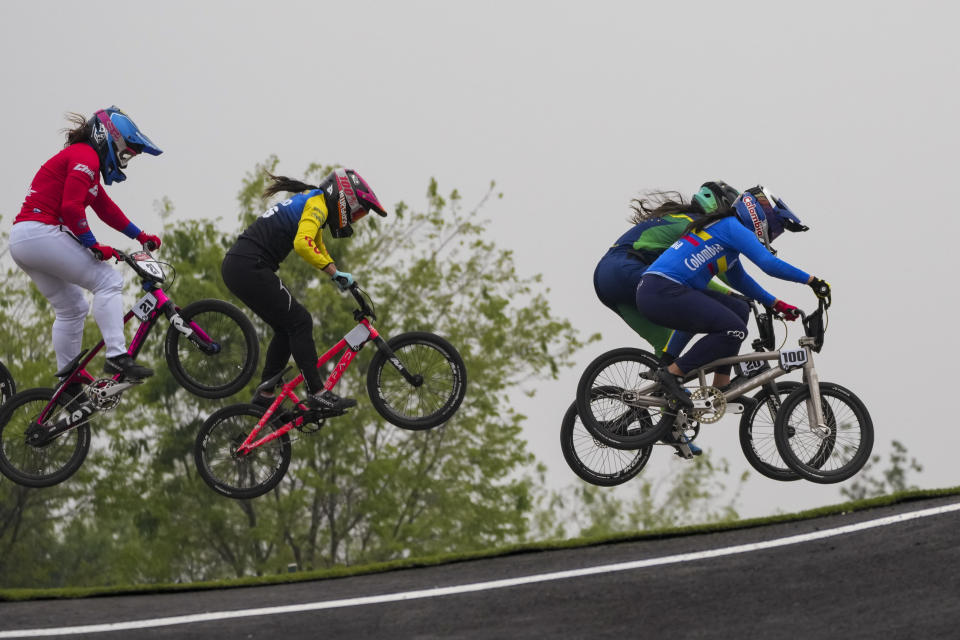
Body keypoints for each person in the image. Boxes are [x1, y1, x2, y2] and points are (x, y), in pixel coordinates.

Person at [635, 185, 830, 409]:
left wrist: (777, 304)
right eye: (776, 228)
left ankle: (721, 385)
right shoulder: (731, 226)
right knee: (733, 330)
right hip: (662, 290)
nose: (774, 234)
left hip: (661, 291)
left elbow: (741, 281)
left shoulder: (725, 234)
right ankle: (672, 374)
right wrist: (813, 281)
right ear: (758, 214)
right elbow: (768, 264)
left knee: (739, 308)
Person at [9, 107, 163, 386]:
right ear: (109, 139)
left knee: (72, 307)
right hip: (41, 231)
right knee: (108, 280)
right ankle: (117, 354)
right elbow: (70, 207)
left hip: (25, 240)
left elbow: (106, 209)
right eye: (124, 153)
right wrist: (93, 245)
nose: (123, 161)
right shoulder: (86, 157)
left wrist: (140, 236)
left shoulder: (83, 160)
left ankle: (67, 381)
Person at [221, 168, 387, 412]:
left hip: (240, 267)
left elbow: (317, 246)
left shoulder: (313, 201)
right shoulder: (317, 205)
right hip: (249, 266)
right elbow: (303, 244)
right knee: (301, 322)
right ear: (344, 199)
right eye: (356, 212)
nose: (354, 219)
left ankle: (266, 395)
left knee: (286, 328)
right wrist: (333, 273)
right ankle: (317, 392)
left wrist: (338, 274)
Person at [593, 181, 743, 364]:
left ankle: (662, 391)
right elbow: (711, 270)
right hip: (625, 269)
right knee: (694, 306)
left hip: (606, 279)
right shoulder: (691, 224)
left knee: (666, 346)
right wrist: (730, 294)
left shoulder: (679, 217)